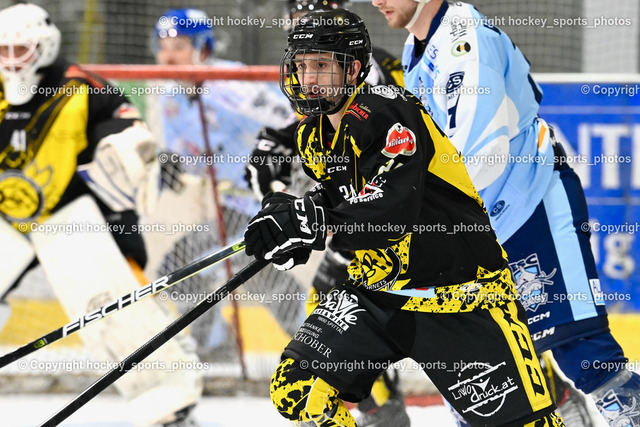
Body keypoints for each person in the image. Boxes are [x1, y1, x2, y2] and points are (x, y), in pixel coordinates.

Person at [244, 8, 565, 427]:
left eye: (321, 65)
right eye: (302, 65)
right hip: (376, 295)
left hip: (460, 298)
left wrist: (314, 222)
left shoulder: (388, 110)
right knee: (297, 389)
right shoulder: (314, 135)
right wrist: (284, 226)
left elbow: (387, 214)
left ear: (354, 67)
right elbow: (340, 203)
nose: (308, 78)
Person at [372, 0, 640, 426]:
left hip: (531, 213)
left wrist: (408, 215)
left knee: (590, 360)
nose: (375, 0)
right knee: (484, 378)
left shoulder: (465, 41)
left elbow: (482, 155)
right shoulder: (417, 47)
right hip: (478, 231)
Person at [0, 4, 201, 426]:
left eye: (21, 48)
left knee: (112, 304)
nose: (11, 58)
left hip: (69, 215)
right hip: (5, 216)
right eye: (3, 48)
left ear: (46, 45)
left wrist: (129, 146)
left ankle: (166, 397)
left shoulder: (79, 86)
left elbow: (123, 123)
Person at [243, 1, 410, 425]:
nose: (307, 71)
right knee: (318, 339)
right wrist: (279, 199)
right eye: (300, 54)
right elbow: (272, 146)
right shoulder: (313, 92)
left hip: (420, 237)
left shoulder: (391, 78)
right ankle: (379, 409)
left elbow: (417, 164)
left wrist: (326, 215)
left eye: (319, 56)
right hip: (364, 235)